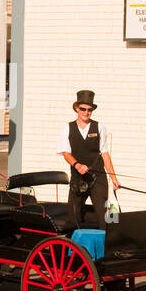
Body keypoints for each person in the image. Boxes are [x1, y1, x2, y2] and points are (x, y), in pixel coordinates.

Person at [56, 89, 120, 229]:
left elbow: (105, 154)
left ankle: (107, 246)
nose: (86, 112)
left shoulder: (99, 127)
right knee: (74, 214)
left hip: (98, 177)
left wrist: (114, 179)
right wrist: (77, 165)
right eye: (83, 109)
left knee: (106, 215)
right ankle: (73, 247)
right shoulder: (67, 128)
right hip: (78, 177)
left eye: (89, 109)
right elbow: (66, 153)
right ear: (76, 109)